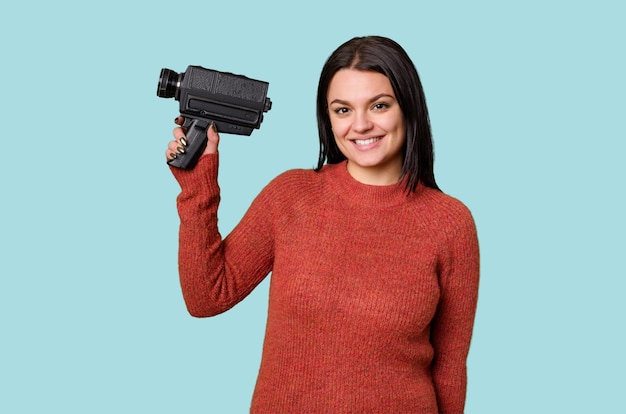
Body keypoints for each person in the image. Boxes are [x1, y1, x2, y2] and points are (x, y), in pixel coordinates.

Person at [165, 35, 480, 414]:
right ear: (327, 118)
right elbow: (206, 297)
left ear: (408, 108)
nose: (361, 125)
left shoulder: (449, 223)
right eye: (343, 110)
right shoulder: (291, 196)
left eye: (379, 105)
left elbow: (449, 369)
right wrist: (198, 187)